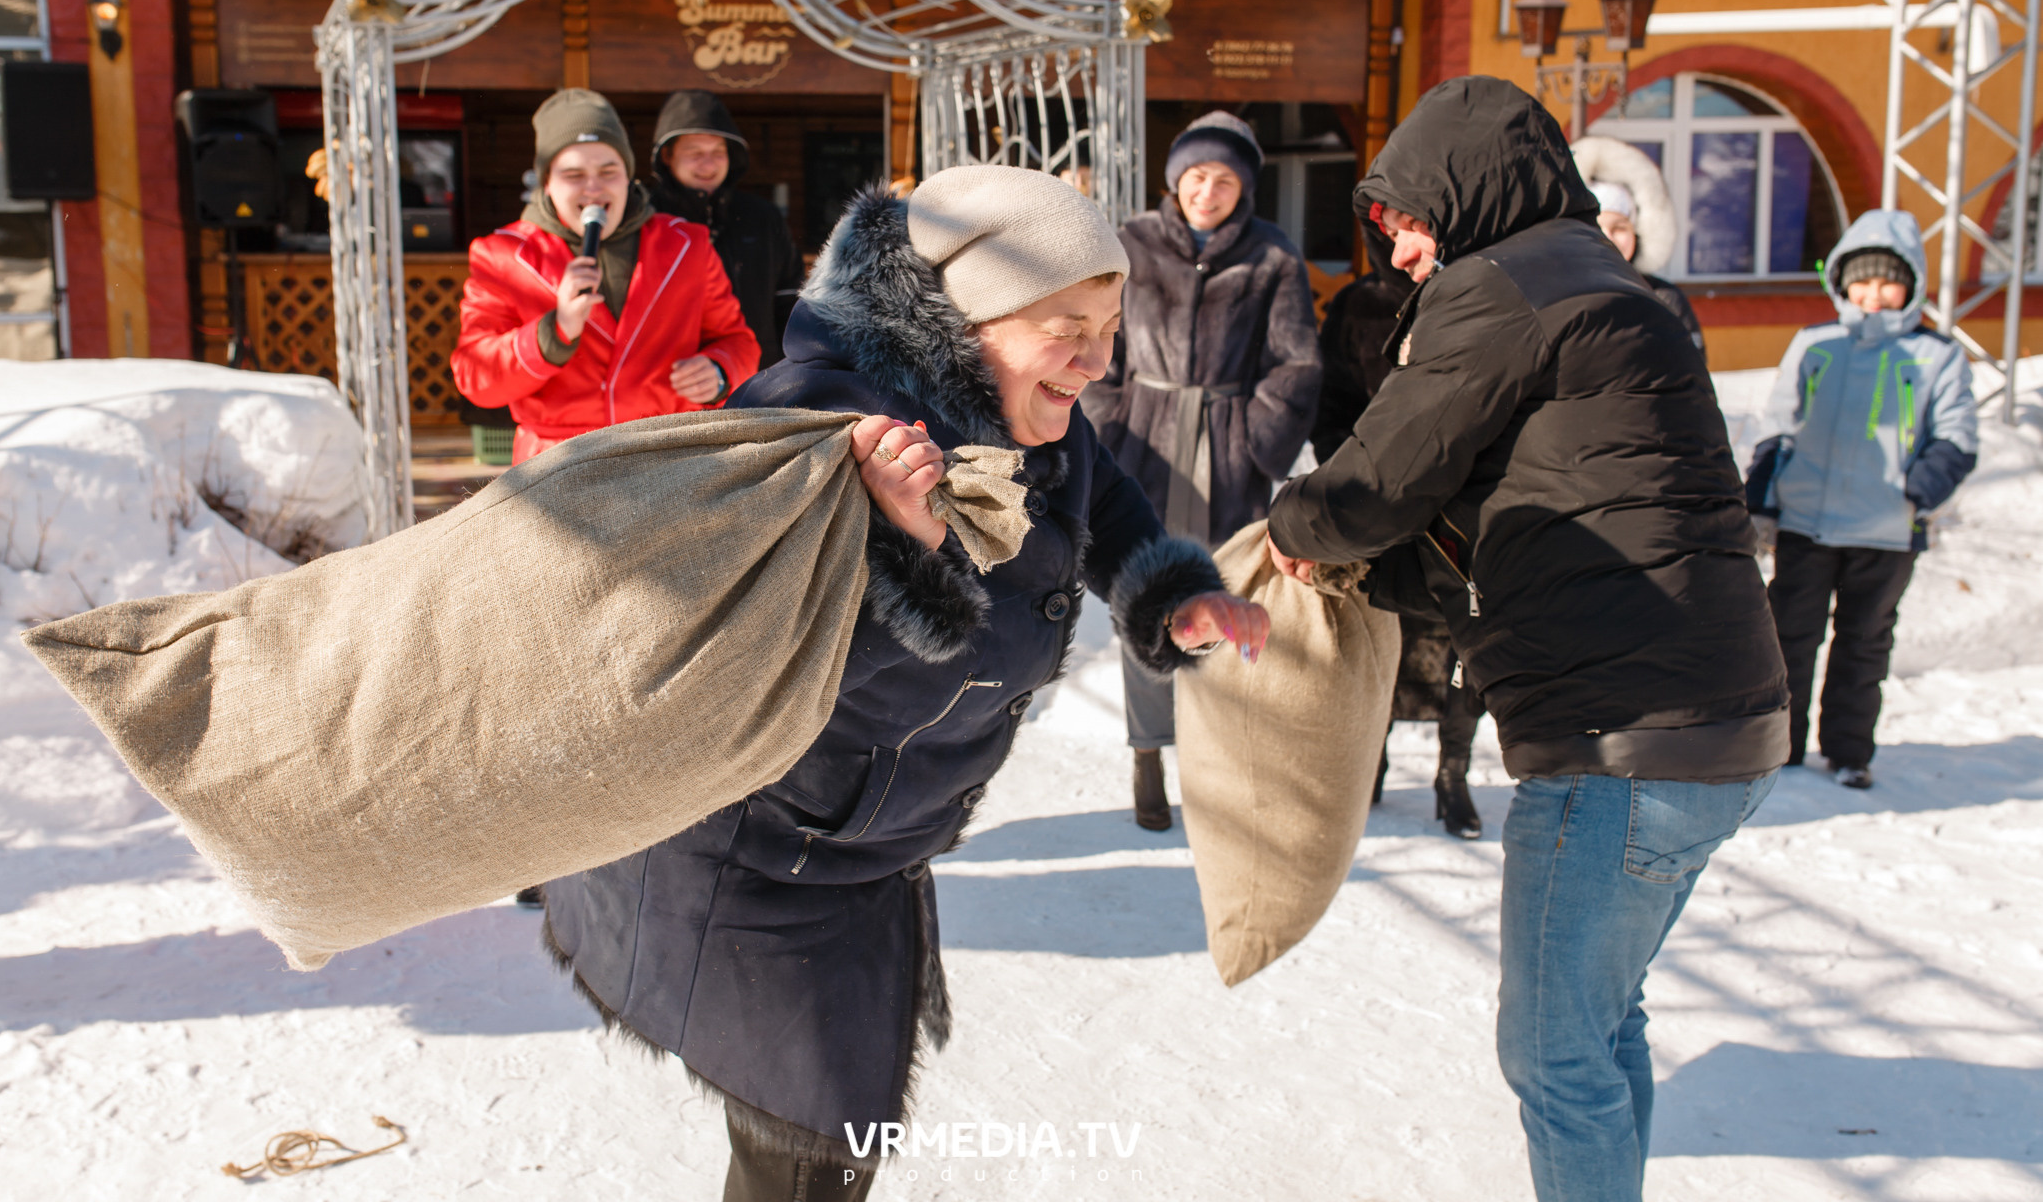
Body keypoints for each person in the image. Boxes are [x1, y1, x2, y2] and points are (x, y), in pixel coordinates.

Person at [540, 166, 1269, 1202]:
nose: (1099, 360)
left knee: (830, 1142)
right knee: (811, 1145)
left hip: (859, 849)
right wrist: (902, 556)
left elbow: (1108, 514)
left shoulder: (1033, 423)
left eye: (1111, 326)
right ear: (970, 314)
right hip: (753, 846)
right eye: (1068, 323)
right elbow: (743, 647)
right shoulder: (818, 419)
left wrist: (1167, 594)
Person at [1267, 77, 1788, 1202]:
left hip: (1620, 742)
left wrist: (1293, 523)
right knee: (1605, 1024)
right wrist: (1362, 561)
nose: (1400, 251)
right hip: (1719, 722)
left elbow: (1380, 478)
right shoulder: (1601, 285)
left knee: (1553, 1052)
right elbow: (1505, 524)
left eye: (1405, 219)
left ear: (1464, 191)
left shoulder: (1501, 288)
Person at [1080, 110, 1320, 830]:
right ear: (1174, 180)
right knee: (1146, 593)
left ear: (1243, 188)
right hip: (1145, 446)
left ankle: (1212, 759)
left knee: (1220, 600)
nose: (1206, 191)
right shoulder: (1130, 245)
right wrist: (1112, 433)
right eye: (1195, 176)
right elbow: (1101, 354)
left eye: (1222, 179)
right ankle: (1149, 750)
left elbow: (1298, 364)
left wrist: (1254, 440)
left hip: (1227, 448)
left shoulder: (1272, 258)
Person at [1743, 209, 1977, 789]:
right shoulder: (1815, 344)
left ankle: (1849, 751)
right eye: (1861, 280)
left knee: (1865, 642)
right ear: (1841, 281)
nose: (1873, 294)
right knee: (1788, 636)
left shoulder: (1937, 356)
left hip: (1886, 531)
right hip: (1805, 522)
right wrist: (1762, 502)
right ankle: (1781, 745)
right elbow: (1778, 425)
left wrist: (1913, 494)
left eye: (1887, 280)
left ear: (1912, 285)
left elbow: (1957, 439)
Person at [451, 89, 760, 462]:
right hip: (558, 469)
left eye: (608, 171)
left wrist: (719, 371)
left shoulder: (685, 244)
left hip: (670, 458)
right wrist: (554, 331)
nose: (593, 188)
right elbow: (475, 377)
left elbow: (738, 343)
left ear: (628, 175)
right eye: (573, 174)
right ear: (547, 181)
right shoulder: (505, 255)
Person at [1311, 261, 1485, 837]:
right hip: (1378, 499)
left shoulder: (1487, 290)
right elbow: (1329, 397)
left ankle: (1452, 776)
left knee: (1465, 644)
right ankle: (1371, 765)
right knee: (1378, 636)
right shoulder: (1360, 304)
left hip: (1465, 504)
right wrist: (1358, 469)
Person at [649, 89, 804, 368]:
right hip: (674, 383)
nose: (708, 164)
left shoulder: (762, 217)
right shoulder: (646, 219)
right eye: (695, 153)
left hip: (759, 385)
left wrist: (794, 369)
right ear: (667, 156)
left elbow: (790, 302)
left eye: (717, 152)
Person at [1569, 134, 1706, 357]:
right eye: (1597, 227)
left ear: (1638, 232)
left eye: (1620, 228)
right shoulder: (1563, 296)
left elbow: (1694, 370)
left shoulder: (1665, 298)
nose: (1608, 238)